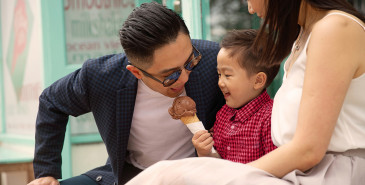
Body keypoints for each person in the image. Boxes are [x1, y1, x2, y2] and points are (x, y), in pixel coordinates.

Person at [126, 0, 365, 184]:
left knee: (167, 175)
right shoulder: (305, 36)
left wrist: (236, 174)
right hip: (301, 173)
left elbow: (308, 150)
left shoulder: (335, 28)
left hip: (331, 175)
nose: (250, 8)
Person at [27, 2, 225, 185]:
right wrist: (46, 172)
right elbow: (51, 101)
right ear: (136, 72)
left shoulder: (213, 59)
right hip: (132, 175)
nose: (184, 78)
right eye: (170, 75)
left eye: (190, 62)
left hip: (197, 173)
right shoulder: (102, 76)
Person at [192, 29, 277, 164]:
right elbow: (220, 165)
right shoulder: (223, 114)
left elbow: (277, 167)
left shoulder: (271, 119)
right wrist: (205, 152)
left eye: (227, 75)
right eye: (219, 74)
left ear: (258, 80)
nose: (220, 82)